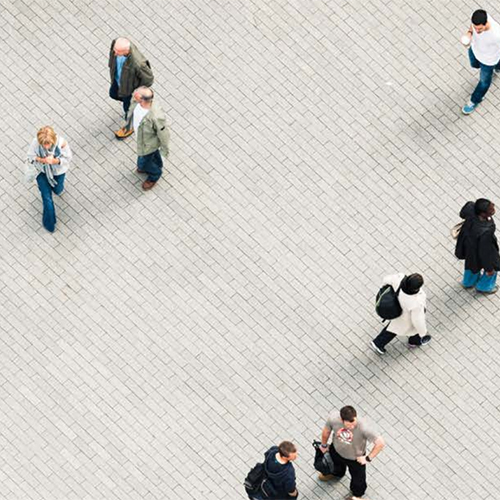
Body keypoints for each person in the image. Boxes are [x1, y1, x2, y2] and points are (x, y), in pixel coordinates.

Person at [318, 406, 384, 500]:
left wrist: (367, 458)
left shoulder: (364, 427)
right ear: (342, 419)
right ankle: (336, 474)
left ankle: (357, 495)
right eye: (349, 425)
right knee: (336, 466)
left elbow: (380, 443)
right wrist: (323, 445)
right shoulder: (333, 418)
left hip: (355, 459)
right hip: (336, 450)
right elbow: (326, 431)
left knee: (358, 480)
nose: (352, 427)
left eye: (353, 423)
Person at [116, 86, 170, 191]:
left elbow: (164, 134)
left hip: (148, 144)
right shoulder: (136, 102)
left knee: (144, 160)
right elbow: (131, 112)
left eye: (137, 93)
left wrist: (164, 151)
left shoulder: (155, 116)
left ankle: (155, 174)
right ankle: (155, 164)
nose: (134, 92)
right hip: (141, 138)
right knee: (151, 157)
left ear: (142, 99)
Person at [26, 126, 73, 233]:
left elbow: (68, 158)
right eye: (43, 145)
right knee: (47, 198)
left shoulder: (61, 143)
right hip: (41, 171)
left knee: (57, 189)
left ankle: (57, 189)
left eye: (48, 144)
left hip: (57, 171)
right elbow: (31, 156)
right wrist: (43, 160)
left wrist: (54, 161)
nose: (46, 147)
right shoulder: (36, 142)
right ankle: (50, 223)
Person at [371, 273, 431, 354]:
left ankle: (379, 343)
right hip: (405, 318)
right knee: (407, 328)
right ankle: (413, 341)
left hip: (395, 308)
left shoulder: (399, 279)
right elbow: (418, 320)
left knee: (393, 328)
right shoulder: (416, 301)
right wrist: (423, 333)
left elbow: (386, 280)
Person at [109, 37, 154, 135]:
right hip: (118, 82)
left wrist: (136, 92)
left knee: (128, 110)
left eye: (118, 52)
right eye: (115, 51)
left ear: (126, 51)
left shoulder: (138, 63)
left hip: (129, 89)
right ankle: (136, 106)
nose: (115, 53)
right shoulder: (115, 44)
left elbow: (148, 79)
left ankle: (130, 126)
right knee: (113, 94)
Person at [455, 199, 500, 293]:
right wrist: (489, 269)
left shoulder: (471, 207)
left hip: (468, 246)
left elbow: (462, 214)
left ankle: (468, 283)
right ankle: (484, 287)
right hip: (481, 248)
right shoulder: (486, 230)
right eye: (491, 210)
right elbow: (485, 252)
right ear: (483, 214)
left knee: (471, 266)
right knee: (493, 268)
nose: (493, 210)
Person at [462, 10, 500, 114]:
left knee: (484, 82)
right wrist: (469, 33)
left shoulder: (497, 34)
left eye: (480, 29)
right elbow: (472, 27)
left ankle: (474, 100)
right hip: (475, 50)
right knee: (474, 65)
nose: (477, 30)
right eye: (476, 28)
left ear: (486, 23)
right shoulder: (479, 18)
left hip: (488, 61)